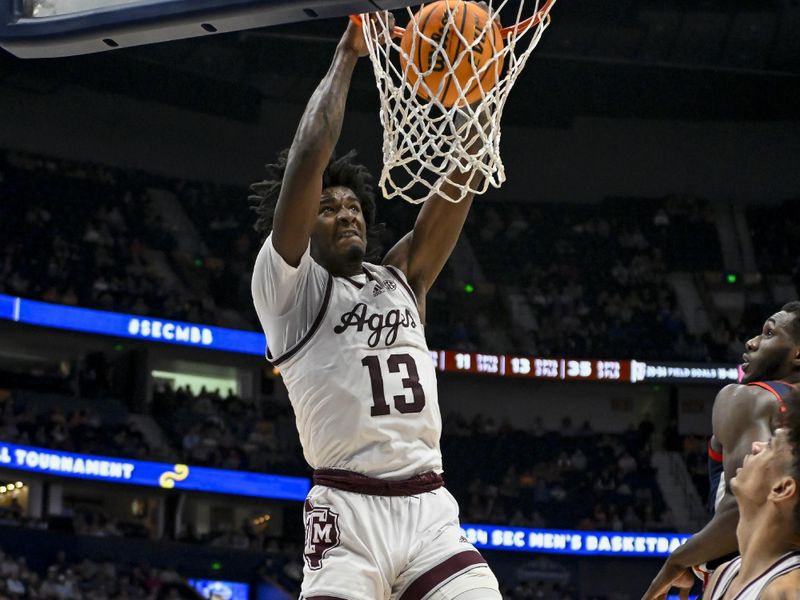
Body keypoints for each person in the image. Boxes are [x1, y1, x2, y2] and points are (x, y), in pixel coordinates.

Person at [250, 16, 500, 600]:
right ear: (301, 223)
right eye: (329, 207)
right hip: (346, 510)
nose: (348, 213)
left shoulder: (400, 279)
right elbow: (311, 154)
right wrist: (347, 53)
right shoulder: (289, 289)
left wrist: (481, 88)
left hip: (429, 509)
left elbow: (460, 180)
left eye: (355, 205)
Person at [642, 303, 800, 599]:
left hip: (756, 567)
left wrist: (685, 557)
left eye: (768, 333)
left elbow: (747, 505)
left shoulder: (748, 397)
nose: (751, 342)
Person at [702, 397, 800, 599]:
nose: (755, 445)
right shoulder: (725, 573)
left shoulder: (787, 591)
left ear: (782, 488)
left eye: (771, 445)